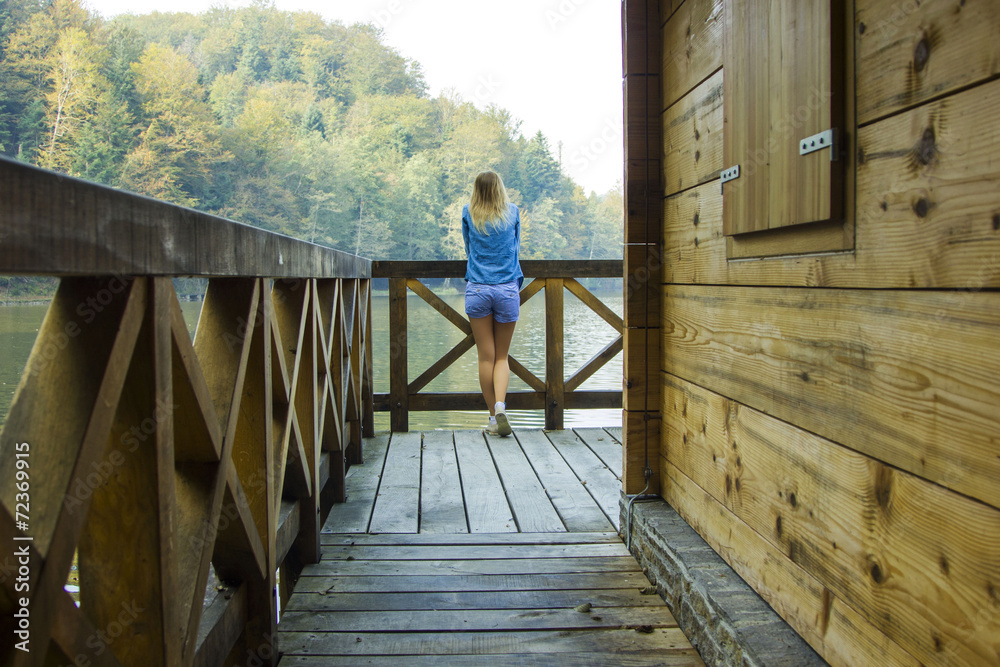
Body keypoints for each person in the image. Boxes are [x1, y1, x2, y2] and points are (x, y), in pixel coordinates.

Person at [462, 171, 523, 437]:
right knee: (501, 357)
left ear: (477, 189)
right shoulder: (513, 212)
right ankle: (501, 405)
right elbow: (516, 248)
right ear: (500, 188)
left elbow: (468, 248)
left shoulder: (468, 212)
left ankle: (492, 418)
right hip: (507, 289)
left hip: (477, 288)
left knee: (486, 357)